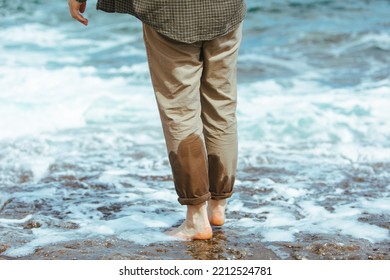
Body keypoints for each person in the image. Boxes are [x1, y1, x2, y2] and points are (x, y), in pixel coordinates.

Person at [68, 0, 246, 240]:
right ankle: (218, 206)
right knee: (222, 105)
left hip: (170, 11)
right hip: (226, 8)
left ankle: (196, 218)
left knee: (180, 111)